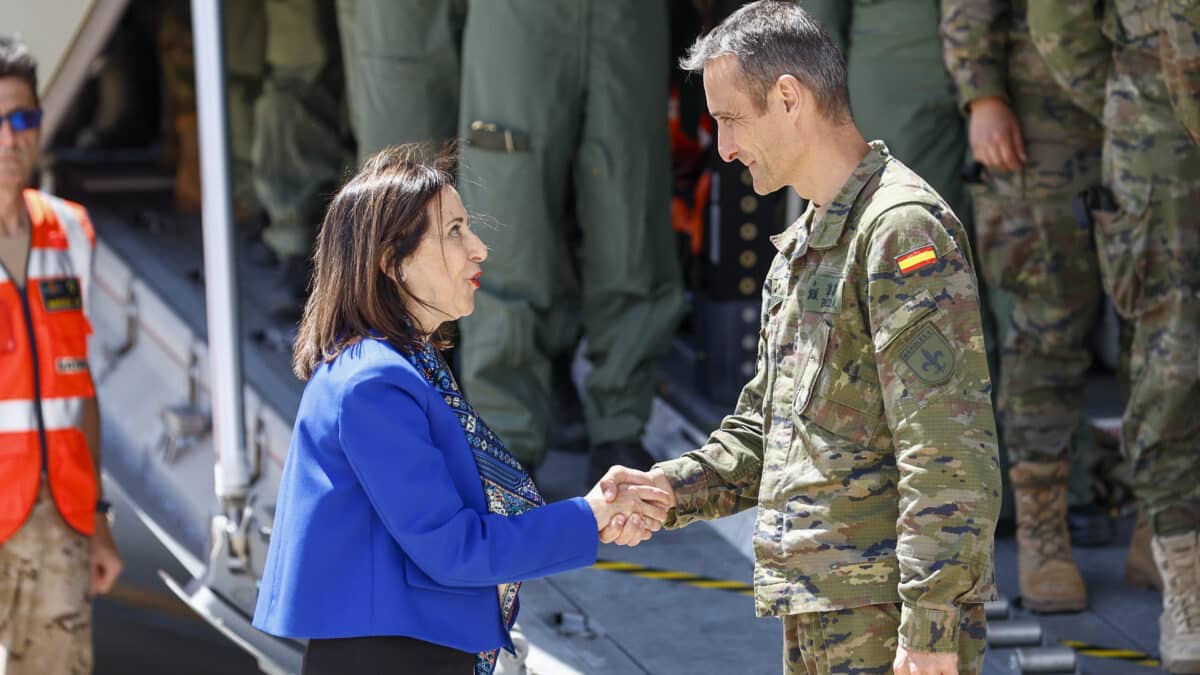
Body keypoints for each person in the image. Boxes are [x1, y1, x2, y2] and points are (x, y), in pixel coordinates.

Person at [602, 3, 1001, 673]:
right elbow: (767, 429)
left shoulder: (899, 231)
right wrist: (668, 488)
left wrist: (932, 626)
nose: (722, 148)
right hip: (822, 613)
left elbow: (949, 453)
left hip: (888, 629)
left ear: (790, 98)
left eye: (730, 119)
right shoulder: (808, 245)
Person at [251, 145, 668, 675]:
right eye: (453, 232)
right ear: (391, 262)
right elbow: (453, 548)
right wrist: (590, 516)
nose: (479, 249)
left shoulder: (395, 366)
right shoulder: (375, 382)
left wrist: (595, 517)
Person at [1028, 3, 1200, 671]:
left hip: (1149, 112)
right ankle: (1185, 584)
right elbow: (1061, 20)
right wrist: (1137, 84)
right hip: (1158, 133)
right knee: (1173, 358)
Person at [454, 0, 687, 481]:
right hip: (519, 20)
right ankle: (505, 446)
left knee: (631, 213)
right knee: (505, 221)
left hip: (625, 19)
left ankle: (621, 425)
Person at [940, 0, 1107, 612]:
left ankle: (1161, 530)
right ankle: (1043, 533)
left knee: (1165, 335)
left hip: (1157, 120)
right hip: (1041, 124)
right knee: (1047, 327)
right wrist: (982, 97)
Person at [0, 36, 123, 675]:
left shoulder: (71, 230)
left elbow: (82, 392)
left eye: (22, 118)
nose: (10, 138)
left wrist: (97, 515)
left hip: (57, 518)